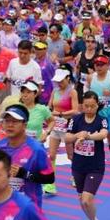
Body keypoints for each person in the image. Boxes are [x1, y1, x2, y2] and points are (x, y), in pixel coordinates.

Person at [0, 104, 54, 208]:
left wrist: (25, 174)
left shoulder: (37, 149)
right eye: (7, 121)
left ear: (24, 125)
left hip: (29, 206)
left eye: (15, 121)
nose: (10, 125)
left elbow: (49, 178)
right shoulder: (0, 145)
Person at [65, 91, 108, 220]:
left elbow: (103, 134)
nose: (89, 109)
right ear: (82, 105)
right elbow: (67, 137)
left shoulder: (101, 120)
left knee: (86, 199)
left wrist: (88, 136)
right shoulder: (76, 119)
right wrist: (77, 135)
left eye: (92, 106)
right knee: (81, 200)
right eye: (86, 106)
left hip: (95, 167)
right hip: (78, 166)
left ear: (97, 106)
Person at [45, 66, 79, 194]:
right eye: (57, 81)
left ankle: (75, 176)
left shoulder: (72, 92)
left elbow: (75, 110)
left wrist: (60, 114)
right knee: (51, 155)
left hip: (68, 127)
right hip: (55, 127)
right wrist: (47, 114)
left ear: (68, 78)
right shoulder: (55, 91)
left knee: (71, 155)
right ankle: (50, 183)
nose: (59, 83)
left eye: (61, 81)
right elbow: (49, 107)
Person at [87, 55, 110, 161]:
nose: (98, 67)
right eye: (96, 65)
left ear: (107, 66)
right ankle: (94, 154)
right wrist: (87, 95)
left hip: (109, 111)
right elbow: (85, 87)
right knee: (94, 133)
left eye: (101, 65)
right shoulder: (91, 77)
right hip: (95, 111)